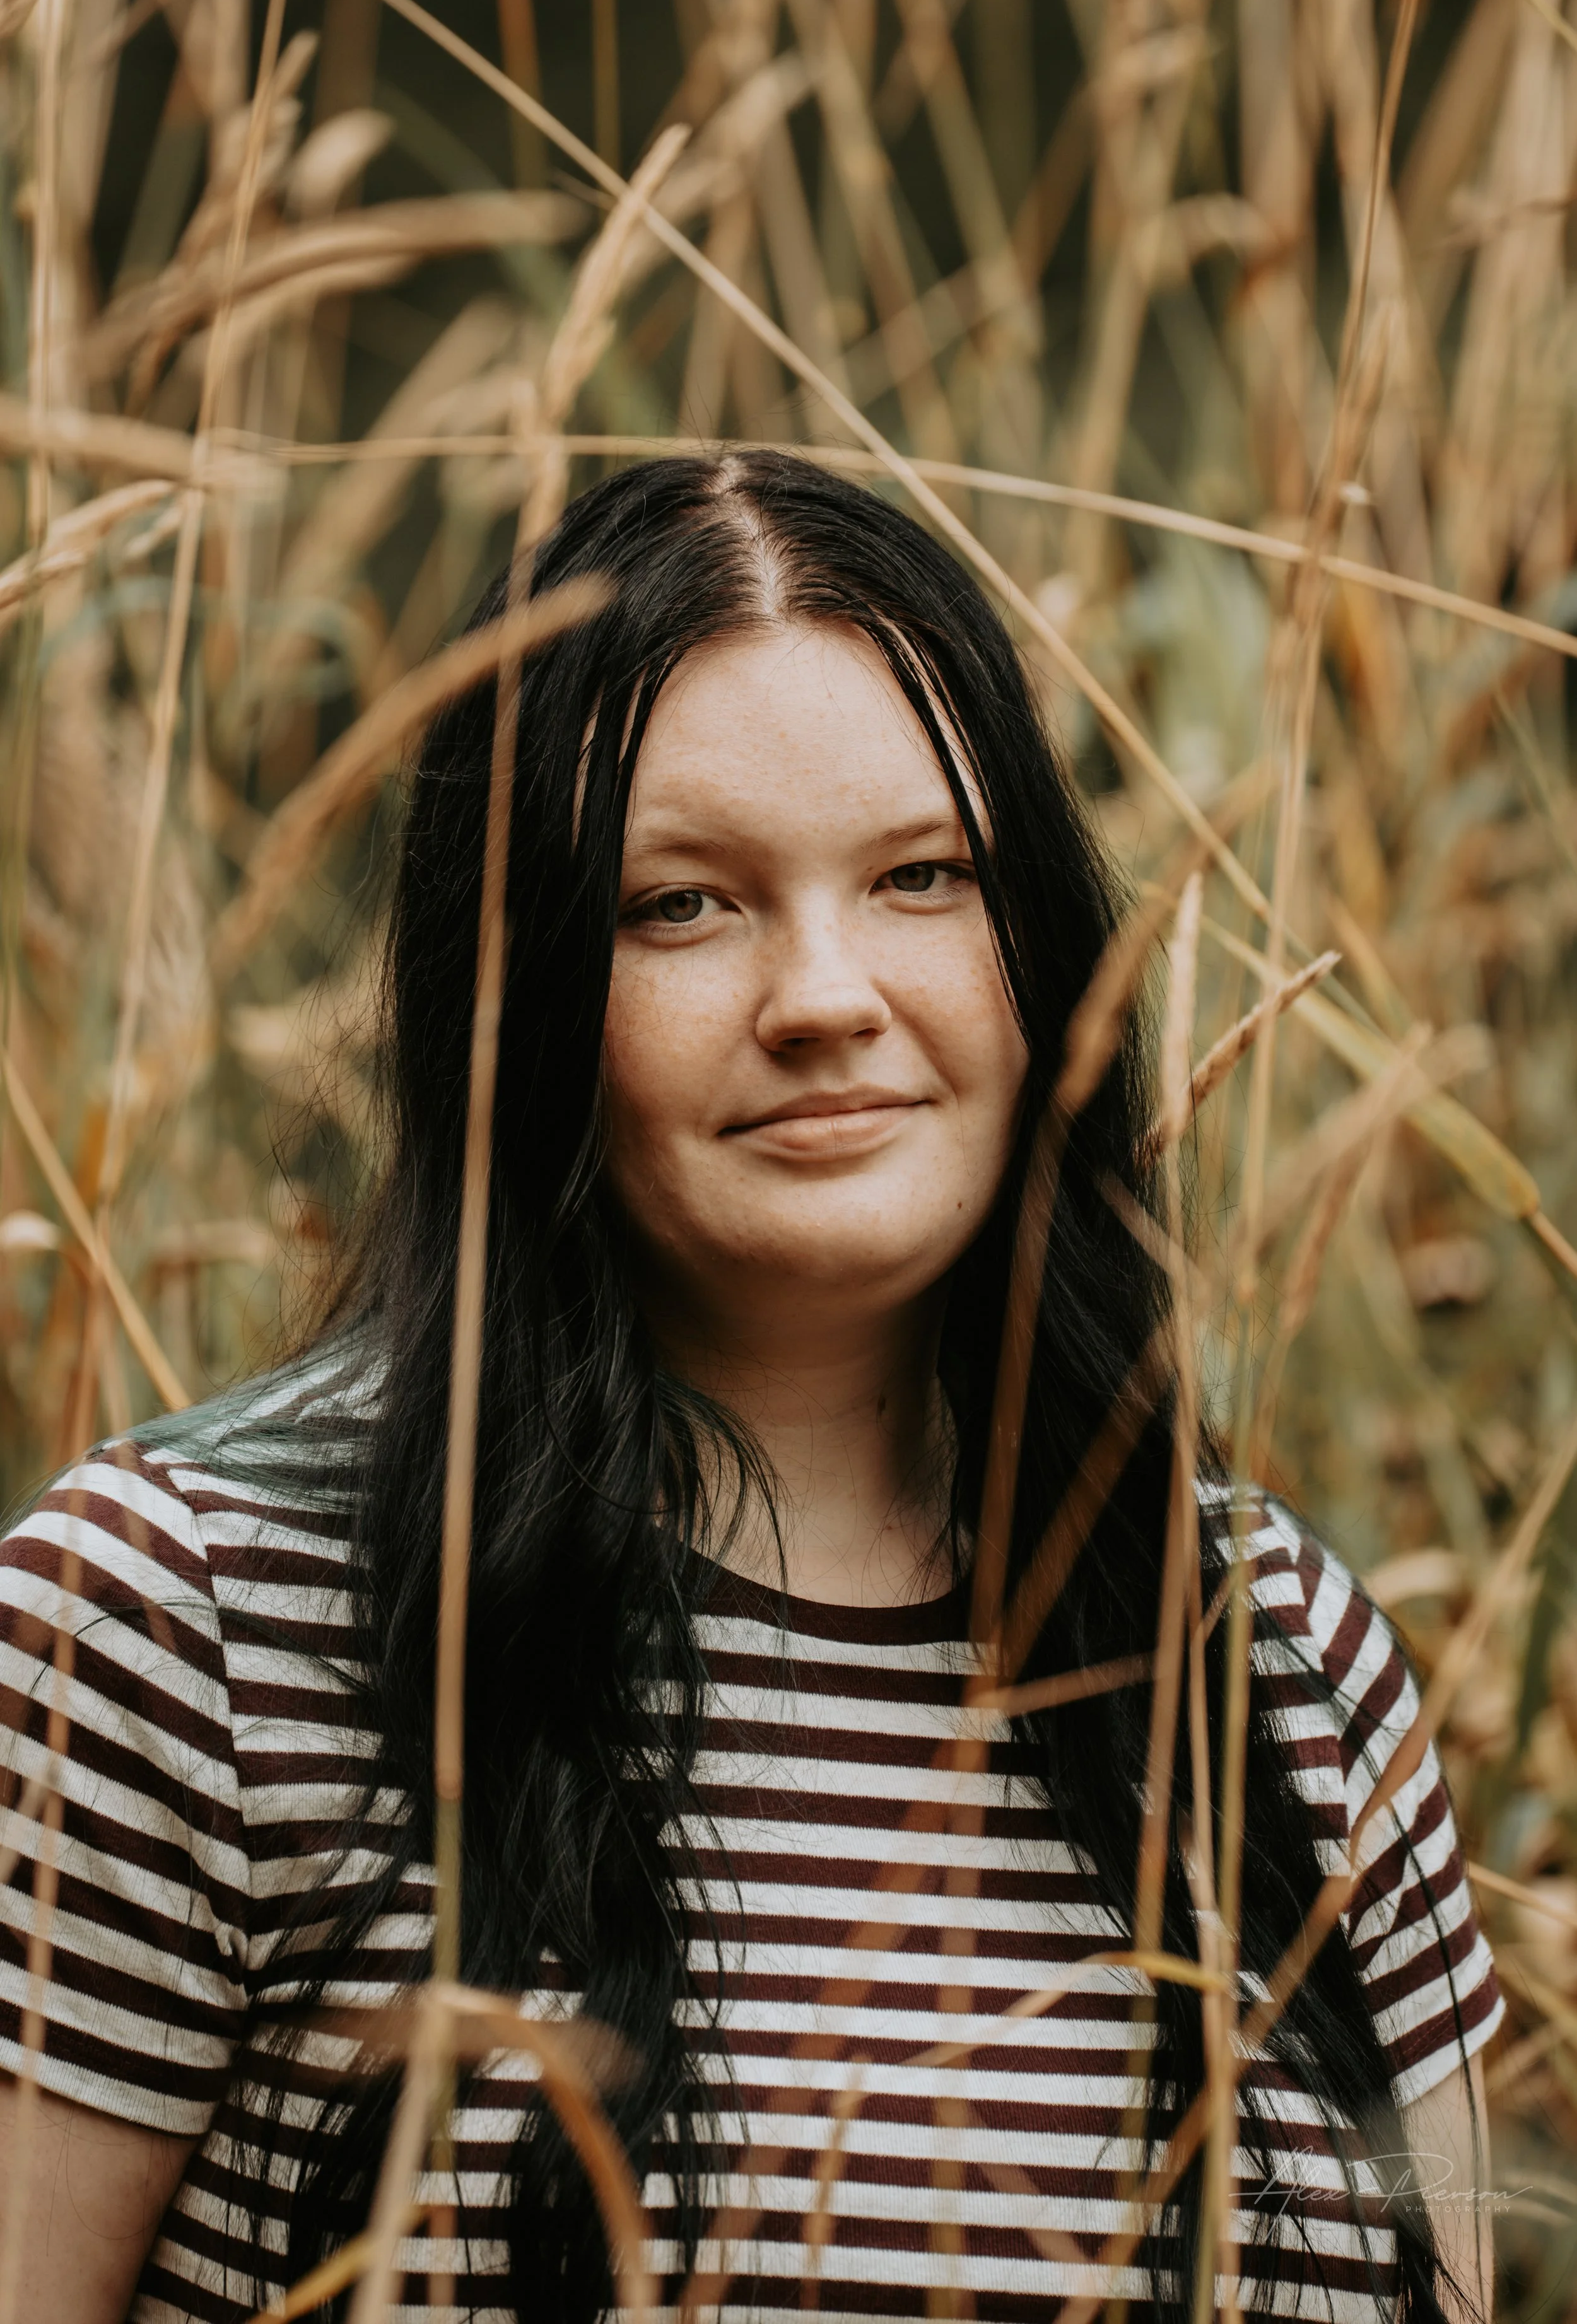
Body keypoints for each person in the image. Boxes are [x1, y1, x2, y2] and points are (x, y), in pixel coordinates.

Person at [0, 453, 1499, 2324]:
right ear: (520, 991)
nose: (824, 990)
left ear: (1037, 940)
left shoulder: (1283, 1675)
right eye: (680, 905)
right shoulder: (181, 1619)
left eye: (919, 878)